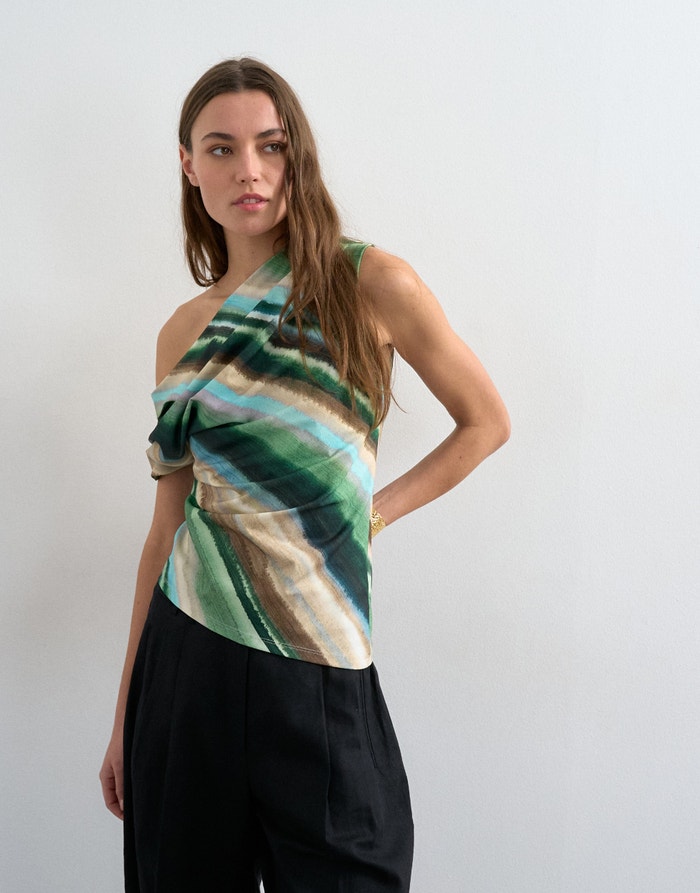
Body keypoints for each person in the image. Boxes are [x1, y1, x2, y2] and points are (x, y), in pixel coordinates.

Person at [99, 57, 510, 892]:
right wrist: (125, 714)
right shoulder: (182, 332)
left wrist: (372, 513)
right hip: (190, 662)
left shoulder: (368, 282)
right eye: (221, 149)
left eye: (270, 145)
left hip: (320, 660)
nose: (248, 170)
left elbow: (486, 421)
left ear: (298, 156)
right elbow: (165, 528)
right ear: (189, 165)